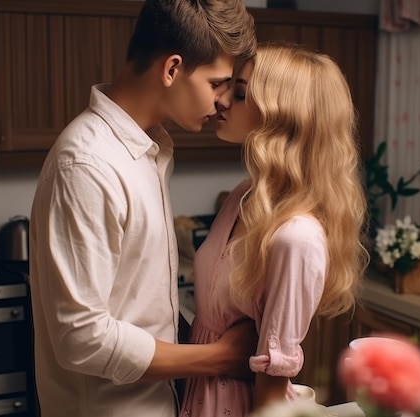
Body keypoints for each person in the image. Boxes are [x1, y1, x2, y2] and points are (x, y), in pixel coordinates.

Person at [28, 1, 257, 416]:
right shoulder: (88, 165)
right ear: (171, 69)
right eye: (217, 83)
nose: (223, 101)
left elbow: (139, 304)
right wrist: (220, 356)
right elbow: (81, 338)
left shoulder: (148, 150)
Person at [179, 41, 370, 417]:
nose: (221, 101)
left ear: (282, 115)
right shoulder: (242, 196)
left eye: (240, 93)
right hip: (197, 394)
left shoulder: (296, 237)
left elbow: (271, 386)